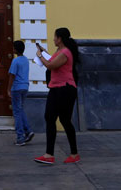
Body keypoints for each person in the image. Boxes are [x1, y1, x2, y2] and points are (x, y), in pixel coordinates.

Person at [33, 27, 80, 165]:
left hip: (64, 88)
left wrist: (40, 56)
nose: (53, 39)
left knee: (58, 119)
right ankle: (56, 154)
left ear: (60, 39)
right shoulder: (60, 51)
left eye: (55, 37)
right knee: (55, 118)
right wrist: (44, 52)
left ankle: (63, 153)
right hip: (57, 88)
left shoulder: (65, 52)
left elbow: (51, 65)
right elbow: (52, 59)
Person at [8, 40, 34, 146]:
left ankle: (20, 137)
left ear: (15, 49)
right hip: (25, 87)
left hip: (17, 88)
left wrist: (8, 89)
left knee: (17, 113)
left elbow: (12, 75)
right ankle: (28, 130)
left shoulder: (15, 61)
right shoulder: (25, 60)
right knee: (21, 109)